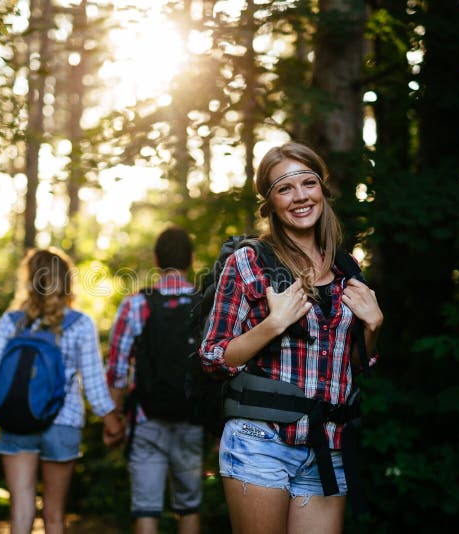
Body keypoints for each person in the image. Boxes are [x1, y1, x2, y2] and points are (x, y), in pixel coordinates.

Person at [199, 141, 384, 534]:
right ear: (269, 203)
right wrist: (272, 323)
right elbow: (214, 357)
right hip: (259, 441)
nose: (300, 196)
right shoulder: (249, 262)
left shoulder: (348, 268)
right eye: (284, 188)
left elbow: (354, 367)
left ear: (322, 190)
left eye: (308, 183)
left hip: (327, 448)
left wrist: (373, 329)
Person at [0, 248, 124, 534]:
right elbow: (94, 387)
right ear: (67, 281)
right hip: (63, 422)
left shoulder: (10, 322)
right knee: (55, 516)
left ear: (29, 279)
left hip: (17, 419)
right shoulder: (80, 324)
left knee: (21, 512)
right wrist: (113, 425)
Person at [107, 226, 203, 534]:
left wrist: (114, 419)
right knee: (189, 505)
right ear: (191, 259)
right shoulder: (205, 304)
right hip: (192, 418)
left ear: (155, 259)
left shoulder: (136, 304)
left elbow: (118, 368)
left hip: (146, 418)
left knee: (146, 507)